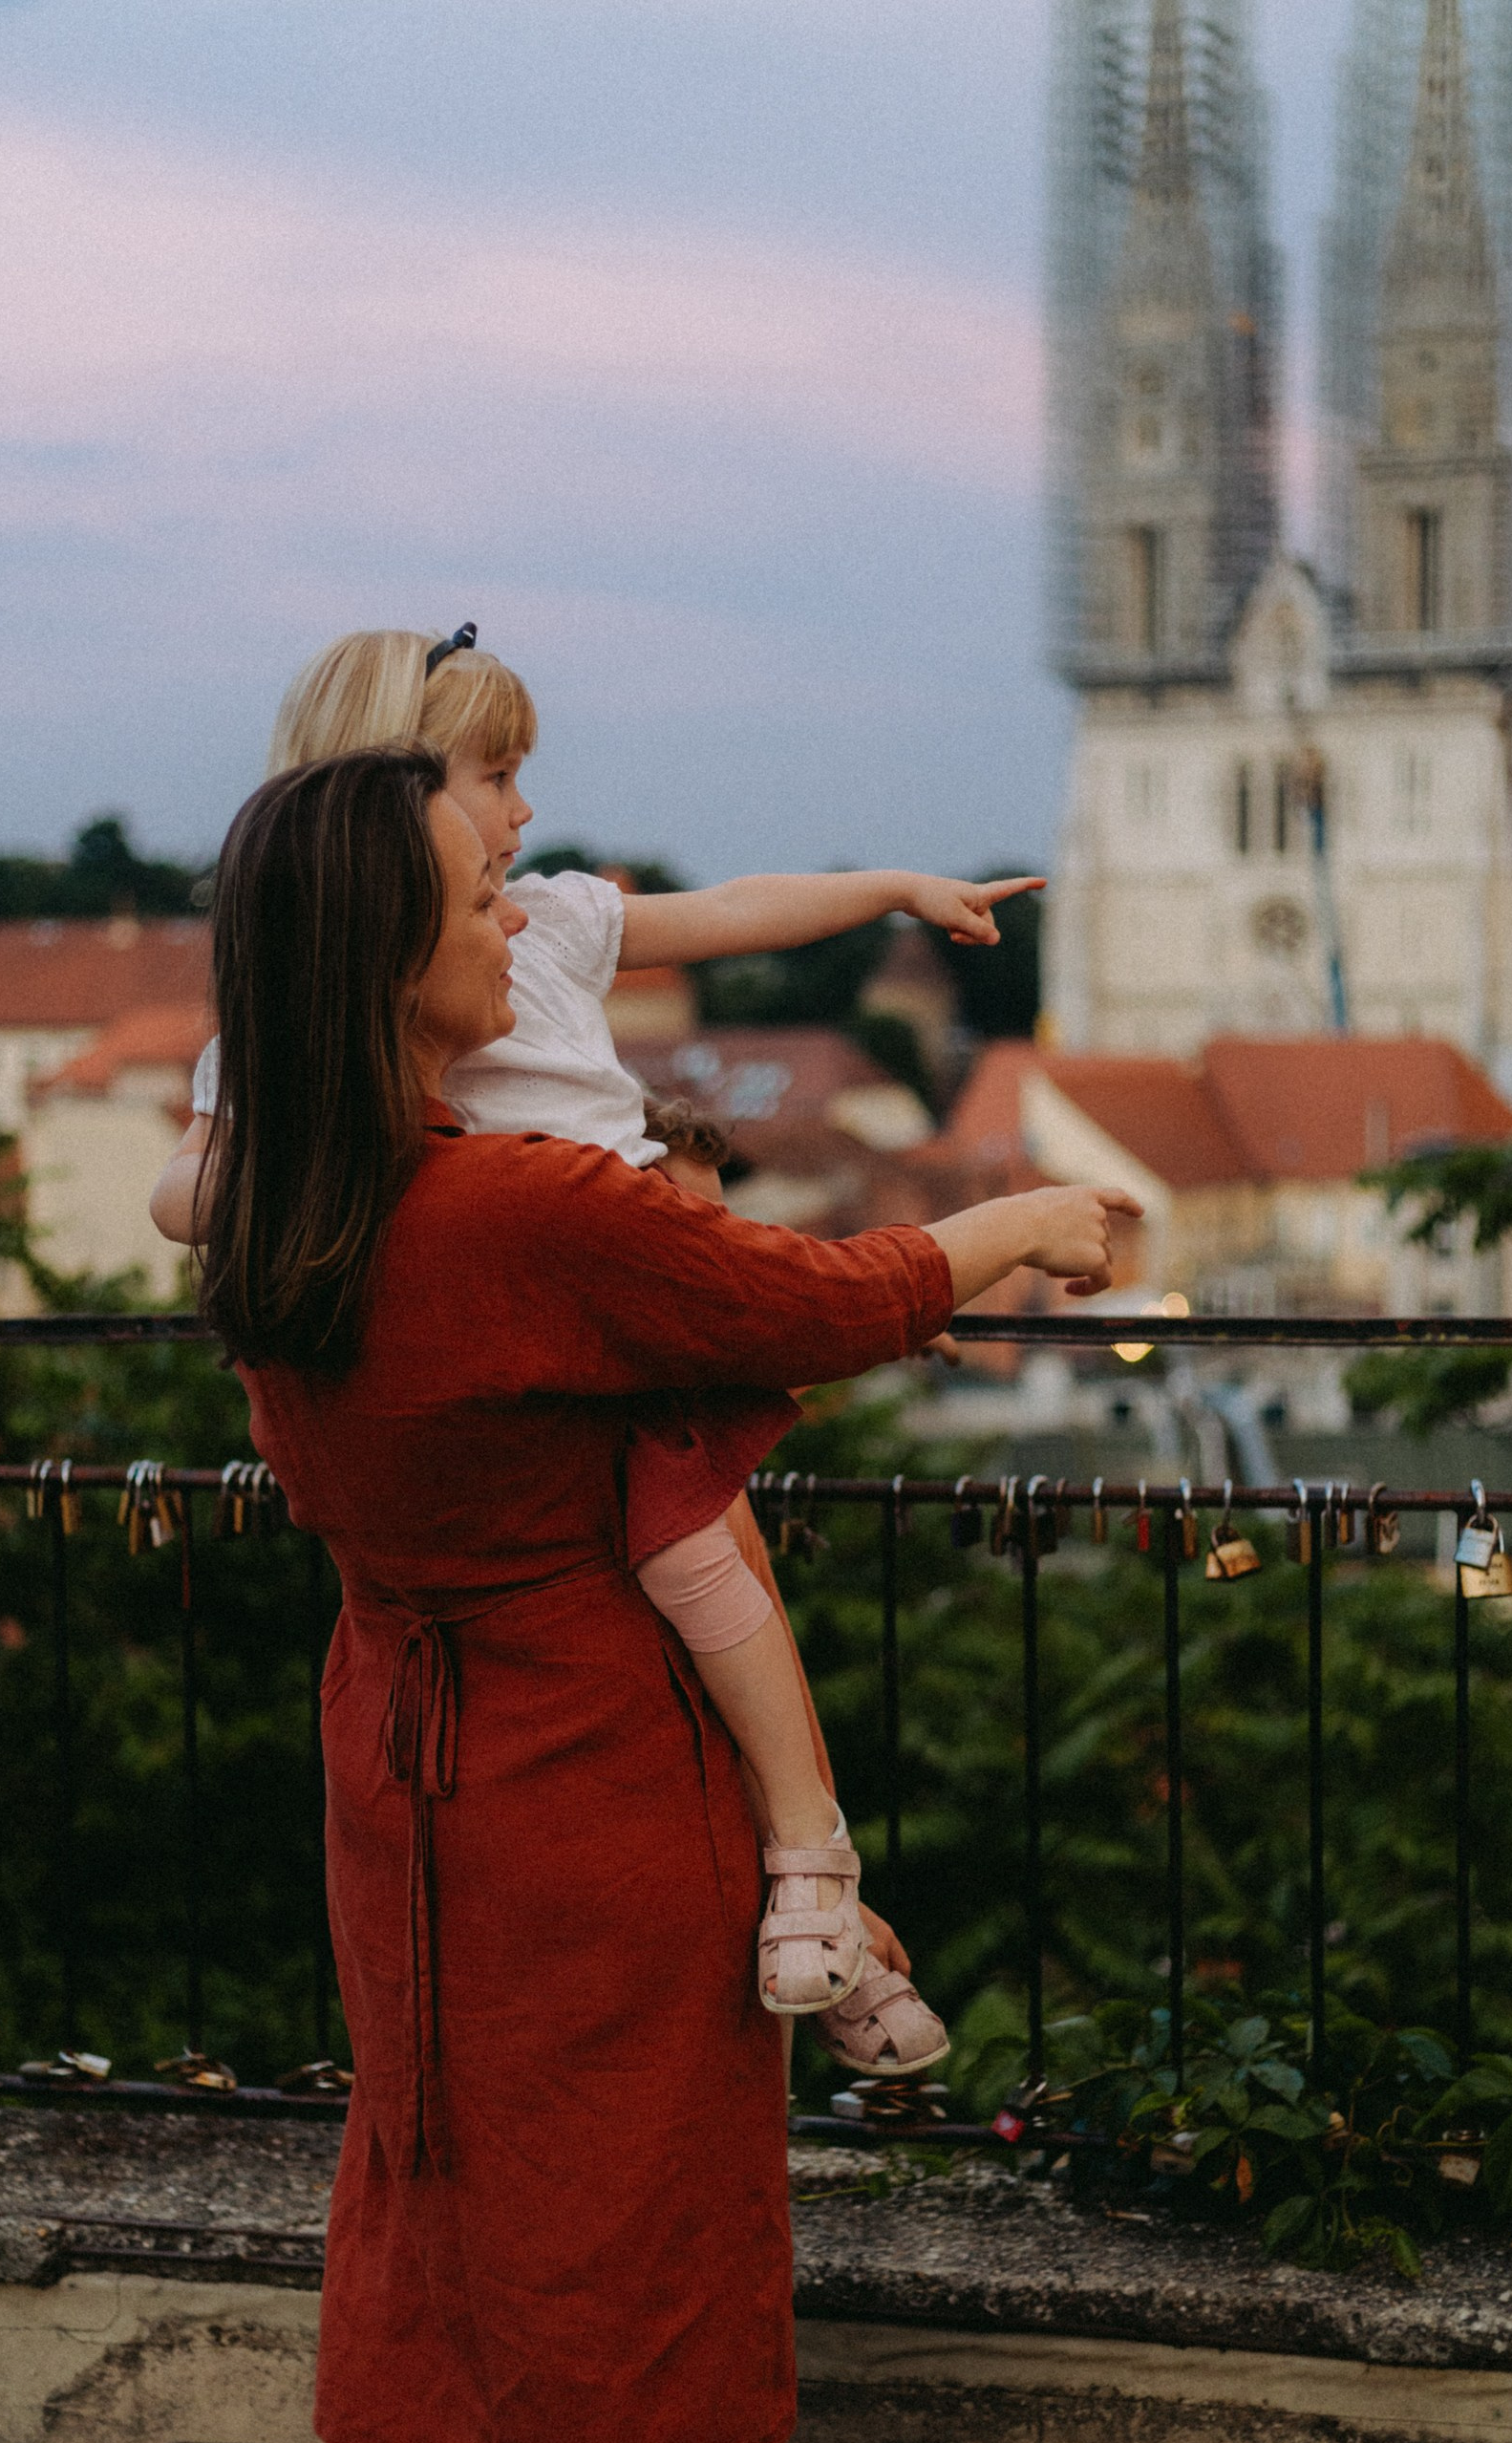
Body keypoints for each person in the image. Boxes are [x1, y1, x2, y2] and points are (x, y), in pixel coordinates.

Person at [198, 741, 1139, 2443]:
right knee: (630, 2217)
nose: (508, 922)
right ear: (385, 961)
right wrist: (1012, 1222)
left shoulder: (277, 1202)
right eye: (467, 905)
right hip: (581, 1763)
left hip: (394, 1749)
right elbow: (795, 1302)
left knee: (410, 2183)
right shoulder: (514, 1210)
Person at [155, 625, 1041, 2087]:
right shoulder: (340, 1035)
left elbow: (738, 913)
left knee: (723, 1590)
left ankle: (817, 1886)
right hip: (581, 1331)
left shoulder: (538, 926)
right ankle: (817, 1876)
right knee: (711, 1583)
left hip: (638, 1292)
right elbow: (198, 1186)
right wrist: (394, 1174)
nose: (517, 821)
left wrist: (892, 887)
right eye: (490, 779)